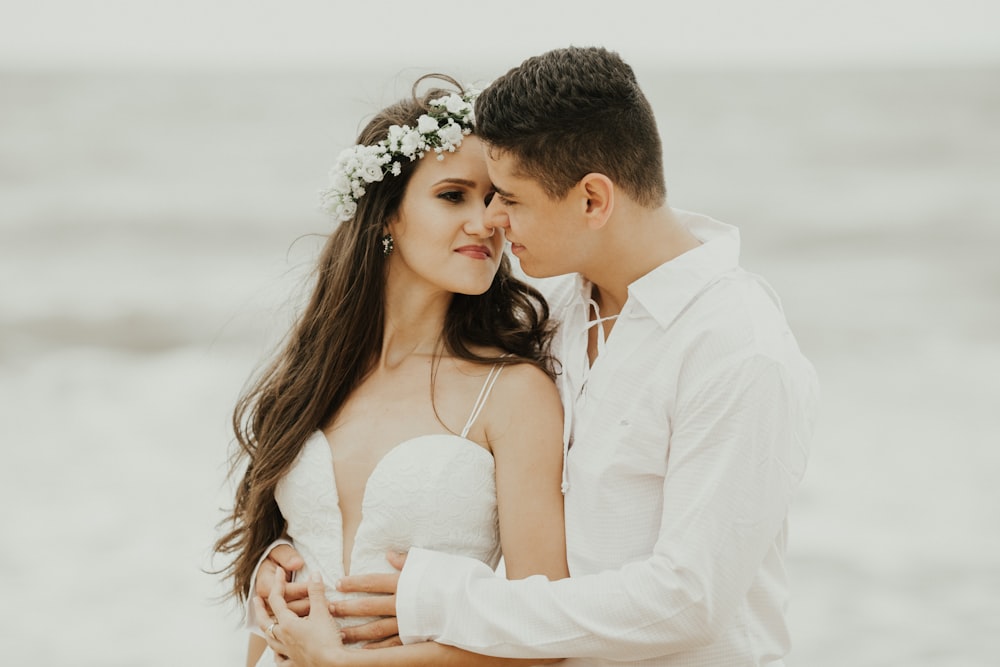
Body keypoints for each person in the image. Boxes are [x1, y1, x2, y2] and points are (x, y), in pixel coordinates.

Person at [256, 46, 821, 666]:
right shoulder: (552, 312)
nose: (493, 221)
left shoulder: (738, 348)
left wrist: (436, 604)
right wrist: (287, 567)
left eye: (509, 198)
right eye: (467, 196)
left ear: (593, 201)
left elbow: (688, 600)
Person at [213, 74, 571, 667]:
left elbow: (548, 635)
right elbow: (286, 602)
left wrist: (346, 665)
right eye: (453, 196)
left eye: (495, 200)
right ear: (387, 215)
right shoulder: (313, 380)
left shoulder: (513, 394)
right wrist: (269, 579)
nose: (486, 222)